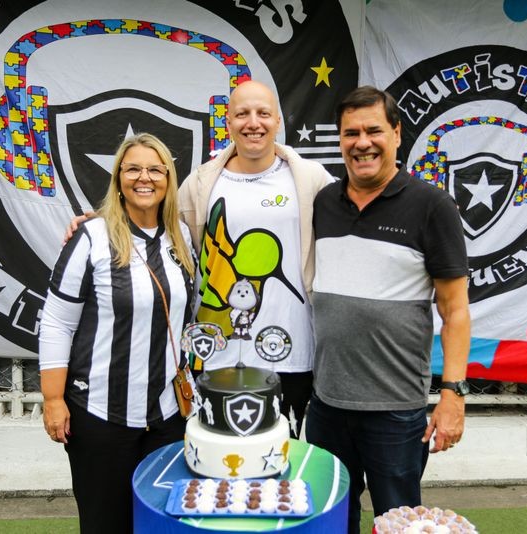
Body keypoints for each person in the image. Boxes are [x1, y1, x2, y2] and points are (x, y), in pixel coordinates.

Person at [66, 80, 333, 437]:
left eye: (263, 113)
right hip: (215, 351)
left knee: (281, 455)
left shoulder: (310, 178)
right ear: (228, 122)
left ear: (278, 121)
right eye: (242, 114)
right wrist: (103, 219)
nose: (253, 123)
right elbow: (157, 218)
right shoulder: (203, 181)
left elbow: (350, 217)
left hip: (289, 350)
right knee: (218, 457)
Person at [305, 86, 471, 534]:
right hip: (326, 404)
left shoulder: (432, 206)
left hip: (395, 412)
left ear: (396, 134)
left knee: (397, 522)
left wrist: (453, 395)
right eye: (351, 133)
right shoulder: (324, 202)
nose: (362, 143)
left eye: (374, 131)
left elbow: (455, 311)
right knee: (329, 519)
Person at [39, 133, 195, 533]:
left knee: (163, 524)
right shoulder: (92, 237)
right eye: (133, 169)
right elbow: (57, 321)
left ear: (168, 179)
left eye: (155, 170)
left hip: (166, 416)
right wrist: (53, 399)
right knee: (105, 523)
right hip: (100, 415)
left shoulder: (181, 237)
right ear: (118, 178)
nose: (144, 178)